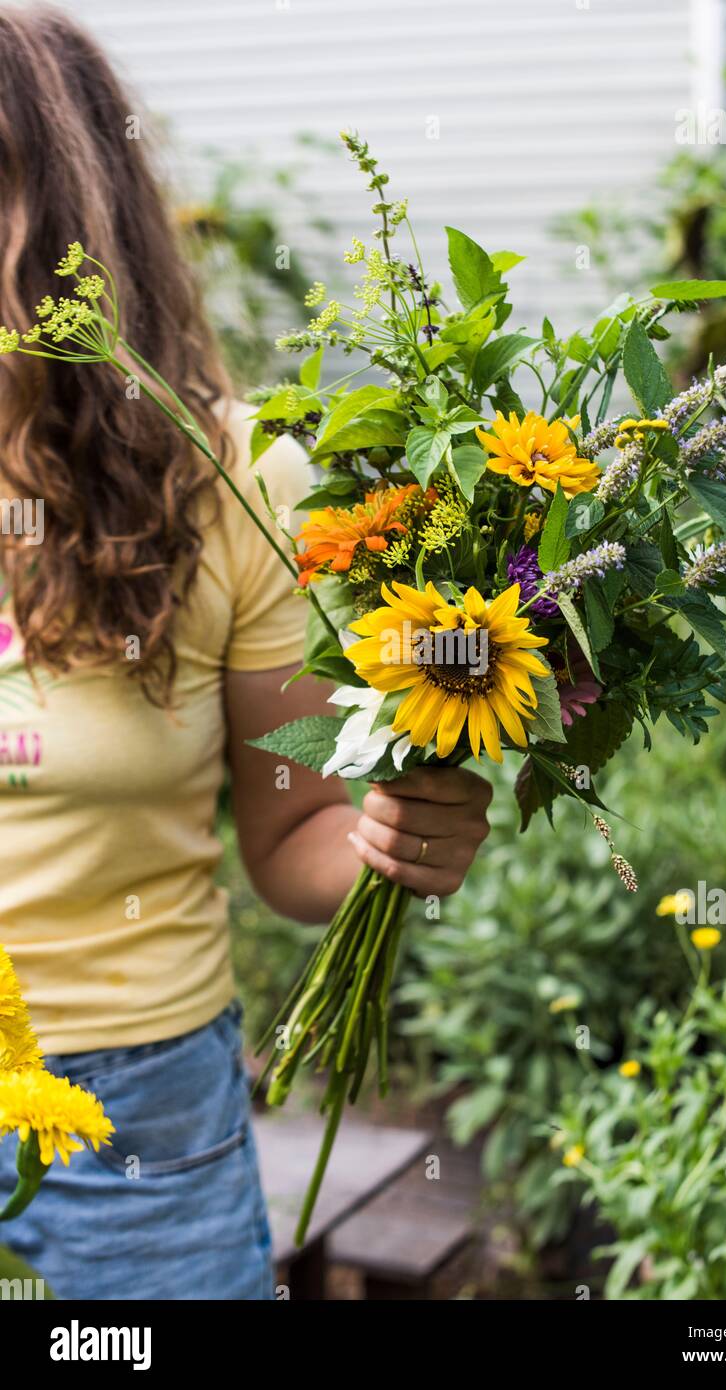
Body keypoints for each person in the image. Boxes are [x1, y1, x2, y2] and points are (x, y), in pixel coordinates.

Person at [0, 7, 491, 1300]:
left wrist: (395, 832)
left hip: (132, 1118)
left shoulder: (226, 477)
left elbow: (295, 837)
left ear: (59, 221)